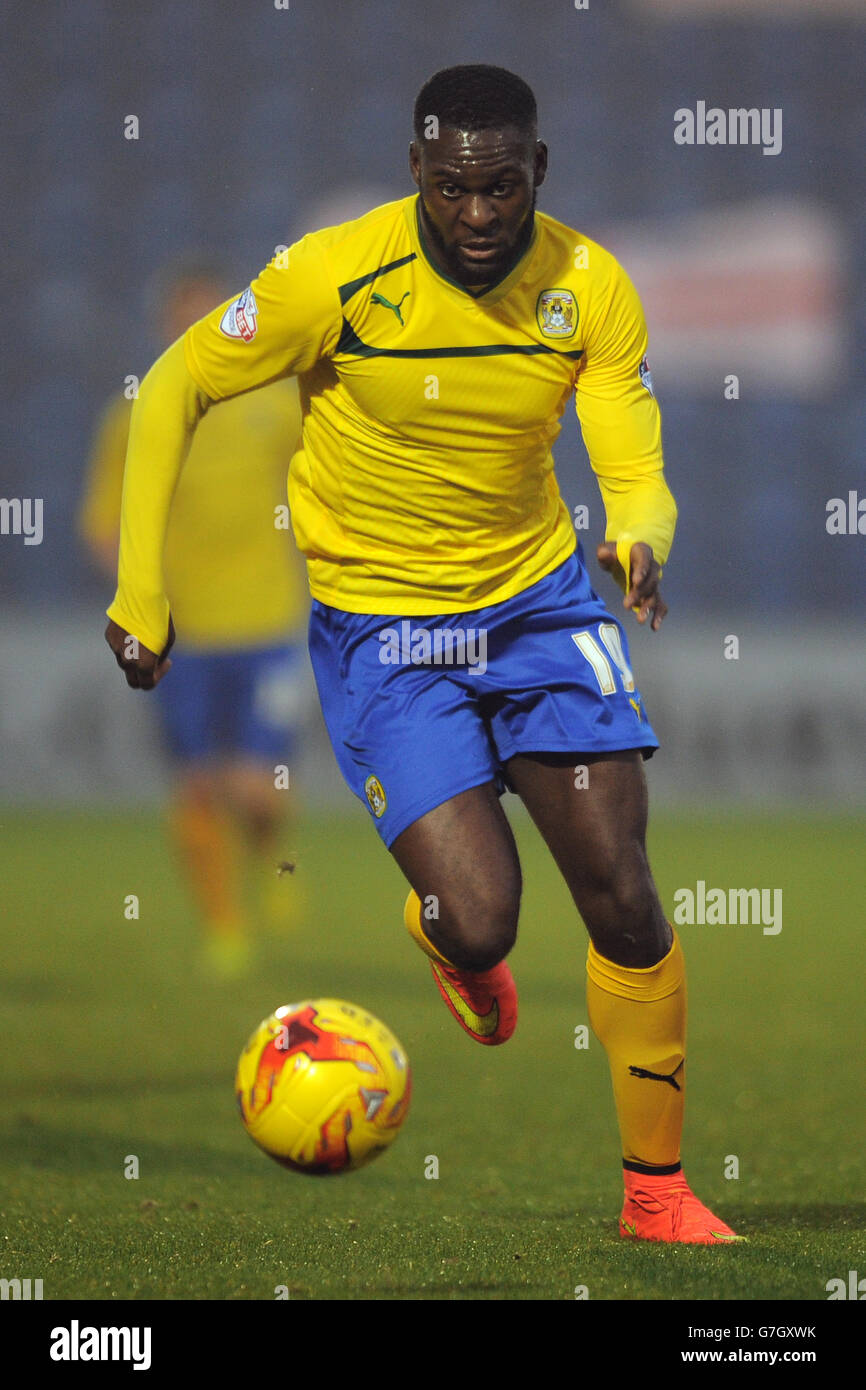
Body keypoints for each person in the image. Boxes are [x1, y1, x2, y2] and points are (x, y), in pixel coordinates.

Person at [104, 65, 740, 1242]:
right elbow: (174, 385)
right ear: (416, 175)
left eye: (501, 186)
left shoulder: (588, 286)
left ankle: (655, 1195)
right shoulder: (330, 277)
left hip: (539, 611)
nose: (479, 213)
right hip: (386, 635)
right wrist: (144, 591)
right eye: (452, 187)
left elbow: (631, 462)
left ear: (537, 173)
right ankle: (449, 936)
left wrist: (640, 539)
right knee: (483, 916)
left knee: (622, 889)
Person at [83, 256, 308, 976]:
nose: (198, 328)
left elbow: (321, 483)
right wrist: (136, 597)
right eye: (185, 315)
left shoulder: (274, 405)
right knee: (196, 785)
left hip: (268, 625)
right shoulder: (135, 413)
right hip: (181, 633)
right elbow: (102, 523)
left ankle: (271, 856)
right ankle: (225, 928)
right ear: (165, 324)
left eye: (211, 314)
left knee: (258, 788)